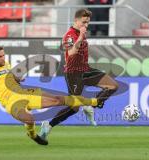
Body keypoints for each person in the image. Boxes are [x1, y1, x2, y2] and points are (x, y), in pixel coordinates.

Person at [0, 45, 102, 145]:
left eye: (3, 55)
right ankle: (32, 134)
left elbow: (12, 77)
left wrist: (19, 79)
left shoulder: (6, 64)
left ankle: (95, 102)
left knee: (58, 99)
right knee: (29, 119)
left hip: (24, 93)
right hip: (11, 102)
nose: (3, 58)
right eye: (0, 57)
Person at [39, 8, 118, 141]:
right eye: (84, 22)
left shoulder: (81, 32)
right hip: (73, 73)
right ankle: (48, 125)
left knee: (113, 86)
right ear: (76, 20)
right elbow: (71, 53)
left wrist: (82, 35)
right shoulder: (69, 35)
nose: (86, 25)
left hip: (86, 69)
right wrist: (81, 36)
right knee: (74, 108)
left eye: (88, 23)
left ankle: (90, 106)